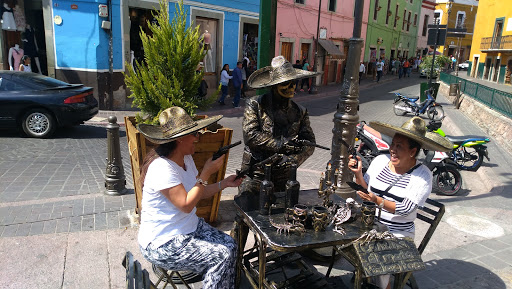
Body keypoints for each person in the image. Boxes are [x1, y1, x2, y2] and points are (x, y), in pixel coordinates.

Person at [137, 107, 243, 289]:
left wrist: (224, 184)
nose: (197, 137)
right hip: (163, 242)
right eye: (194, 133)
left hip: (188, 229)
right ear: (179, 138)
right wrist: (206, 173)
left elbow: (197, 192)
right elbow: (186, 205)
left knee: (231, 246)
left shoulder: (187, 159)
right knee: (221, 256)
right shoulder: (162, 168)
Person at [348, 116, 452, 289]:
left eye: (399, 147)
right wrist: (358, 174)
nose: (392, 150)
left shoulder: (422, 175)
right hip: (372, 225)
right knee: (342, 236)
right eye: (393, 144)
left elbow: (405, 208)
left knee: (377, 256)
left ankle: (384, 286)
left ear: (412, 151)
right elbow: (368, 191)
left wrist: (377, 201)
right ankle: (364, 278)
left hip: (398, 232)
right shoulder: (380, 161)